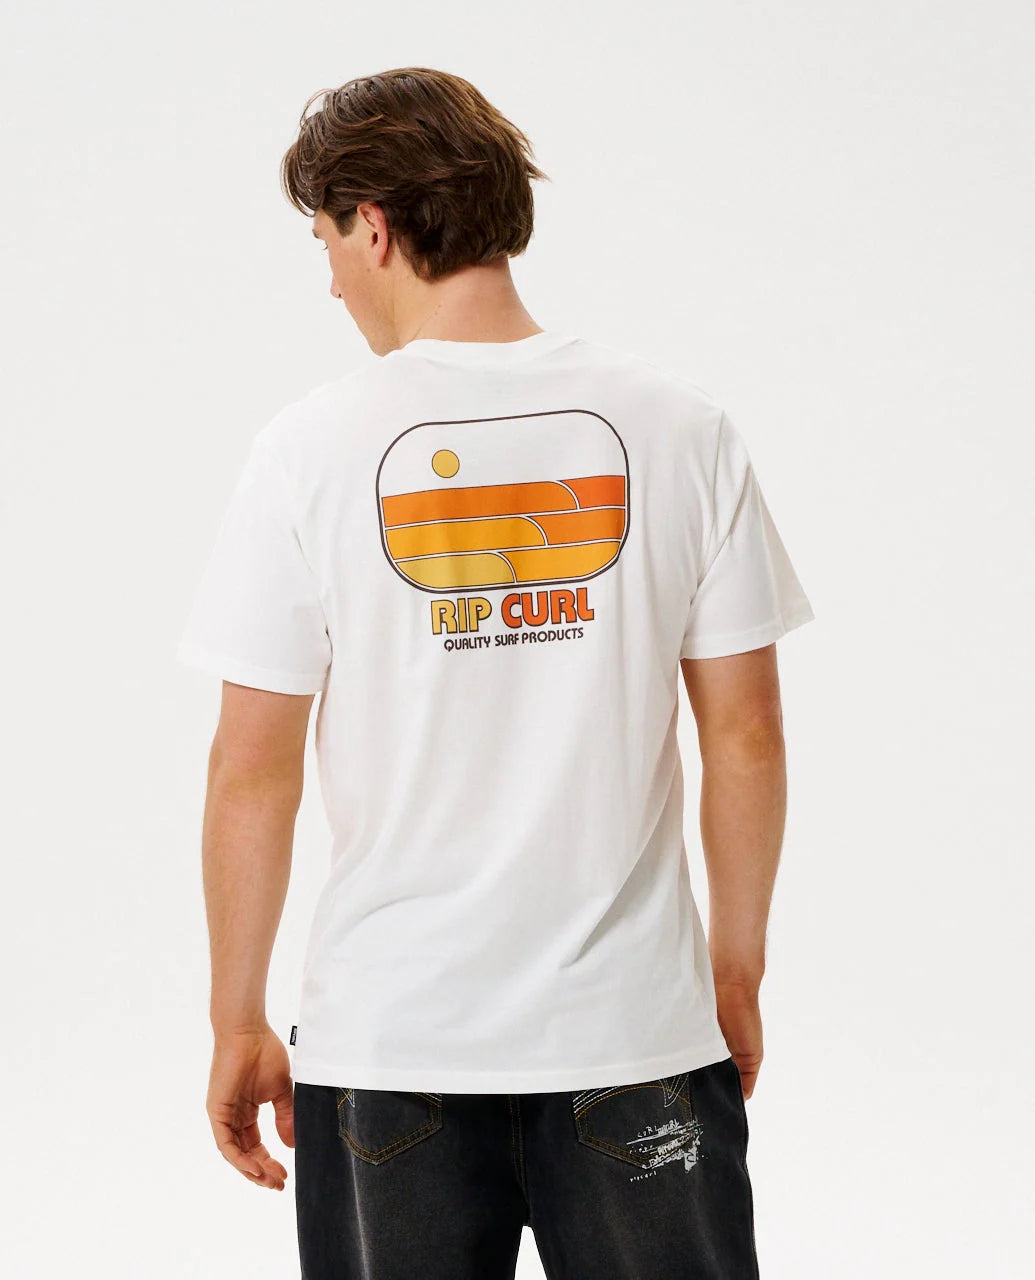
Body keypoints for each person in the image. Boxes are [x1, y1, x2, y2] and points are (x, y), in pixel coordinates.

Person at [176, 66, 814, 1280]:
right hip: (634, 1033)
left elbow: (249, 771)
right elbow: (746, 736)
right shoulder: (682, 427)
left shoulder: (307, 451)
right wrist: (733, 969)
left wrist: (235, 1016)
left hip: (389, 1044)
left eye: (325, 242)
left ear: (373, 225)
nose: (330, 281)